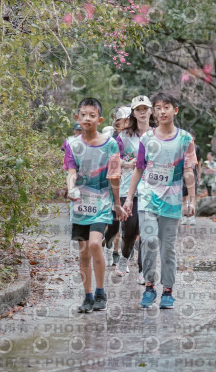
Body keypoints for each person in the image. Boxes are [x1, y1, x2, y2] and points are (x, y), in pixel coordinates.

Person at [123, 91, 197, 309]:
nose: (162, 111)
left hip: (172, 201)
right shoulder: (147, 138)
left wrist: (192, 200)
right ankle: (149, 286)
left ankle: (167, 291)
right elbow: (139, 169)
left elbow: (189, 171)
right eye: (158, 108)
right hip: (148, 197)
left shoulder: (185, 139)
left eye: (166, 107)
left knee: (168, 248)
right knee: (149, 241)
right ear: (154, 112)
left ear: (175, 110)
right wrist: (129, 198)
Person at [64, 98, 127, 313]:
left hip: (102, 203)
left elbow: (114, 176)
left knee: (94, 244)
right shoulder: (72, 145)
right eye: (83, 115)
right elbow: (71, 171)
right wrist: (70, 188)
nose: (87, 119)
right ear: (77, 118)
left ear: (99, 119)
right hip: (80, 205)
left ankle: (101, 291)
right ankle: (88, 296)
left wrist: (117, 204)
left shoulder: (110, 144)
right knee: (83, 253)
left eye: (92, 115)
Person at [114, 95, 154, 281]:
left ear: (151, 111)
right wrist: (127, 164)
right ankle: (124, 256)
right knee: (130, 230)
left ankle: (142, 271)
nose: (142, 112)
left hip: (151, 190)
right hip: (127, 189)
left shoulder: (157, 135)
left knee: (146, 232)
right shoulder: (124, 136)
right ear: (133, 113)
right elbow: (113, 160)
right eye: (138, 109)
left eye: (145, 108)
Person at [103, 105, 133, 267]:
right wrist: (127, 164)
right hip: (112, 184)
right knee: (114, 225)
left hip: (131, 186)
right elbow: (110, 159)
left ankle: (121, 253)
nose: (127, 124)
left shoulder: (137, 138)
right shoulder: (110, 137)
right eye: (124, 121)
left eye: (129, 121)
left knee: (129, 224)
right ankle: (108, 245)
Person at [181, 132, 201, 226]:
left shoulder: (197, 148)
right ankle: (184, 215)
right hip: (183, 173)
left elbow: (199, 163)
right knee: (183, 196)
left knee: (192, 195)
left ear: (194, 137)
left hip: (193, 173)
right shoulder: (182, 146)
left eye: (192, 136)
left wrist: (199, 175)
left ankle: (192, 216)